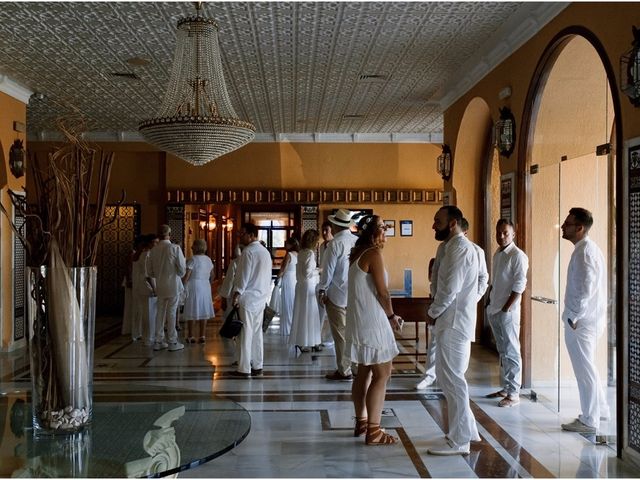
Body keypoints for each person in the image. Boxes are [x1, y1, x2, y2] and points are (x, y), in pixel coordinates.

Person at [426, 206, 480, 456]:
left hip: (455, 323)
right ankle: (466, 431)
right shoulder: (447, 247)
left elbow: (450, 290)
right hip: (448, 321)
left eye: (438, 221)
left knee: (454, 379)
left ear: (453, 223)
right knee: (446, 376)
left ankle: (461, 441)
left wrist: (433, 312)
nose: (434, 225)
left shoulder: (461, 249)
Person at [346, 215, 402, 445]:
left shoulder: (357, 254)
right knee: (383, 373)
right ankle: (375, 431)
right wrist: (391, 317)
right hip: (372, 321)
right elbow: (383, 292)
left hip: (360, 320)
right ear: (374, 233)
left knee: (364, 372)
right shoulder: (373, 254)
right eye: (383, 229)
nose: (386, 233)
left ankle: (362, 421)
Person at [559, 207, 610, 434]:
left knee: (584, 370)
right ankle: (601, 410)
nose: (563, 226)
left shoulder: (585, 252)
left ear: (580, 228)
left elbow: (585, 288)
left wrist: (574, 316)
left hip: (581, 322)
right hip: (587, 319)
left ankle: (590, 419)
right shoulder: (586, 249)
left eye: (567, 223)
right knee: (588, 366)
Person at [484, 219, 529, 407]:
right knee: (502, 351)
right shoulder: (498, 253)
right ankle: (506, 387)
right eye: (498, 232)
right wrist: (490, 301)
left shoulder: (518, 256)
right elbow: (497, 280)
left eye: (505, 233)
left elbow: (520, 286)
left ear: (513, 234)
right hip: (494, 308)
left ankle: (514, 393)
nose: (501, 236)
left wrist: (506, 308)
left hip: (507, 312)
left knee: (511, 351)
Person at [318, 208, 357, 381]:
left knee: (340, 334)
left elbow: (328, 272)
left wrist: (322, 289)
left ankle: (344, 369)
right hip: (356, 295)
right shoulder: (357, 241)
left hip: (337, 295)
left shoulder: (334, 245)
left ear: (335, 225)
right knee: (354, 333)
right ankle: (356, 365)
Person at [231, 223, 273, 378]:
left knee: (245, 334)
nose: (240, 236)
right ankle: (257, 366)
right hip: (260, 298)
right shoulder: (265, 252)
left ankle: (243, 369)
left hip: (248, 298)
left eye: (242, 233)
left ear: (251, 235)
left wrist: (236, 294)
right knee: (256, 333)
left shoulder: (248, 252)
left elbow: (243, 276)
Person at [148, 224, 186, 352]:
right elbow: (182, 269)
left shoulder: (153, 250)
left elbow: (150, 272)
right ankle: (172, 340)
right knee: (171, 312)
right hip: (173, 284)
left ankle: (158, 340)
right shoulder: (174, 248)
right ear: (169, 234)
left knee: (160, 312)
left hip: (160, 284)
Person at [289, 229, 322, 353]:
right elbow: (308, 273)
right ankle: (309, 341)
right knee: (310, 313)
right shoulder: (309, 253)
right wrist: (319, 270)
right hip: (308, 287)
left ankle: (303, 341)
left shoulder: (301, 252)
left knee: (302, 314)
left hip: (301, 286)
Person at [182, 239, 215, 344]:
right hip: (205, 285)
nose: (191, 247)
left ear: (196, 247)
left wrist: (181, 284)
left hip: (194, 285)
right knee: (203, 310)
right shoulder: (208, 260)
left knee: (192, 308)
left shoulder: (192, 259)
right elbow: (212, 275)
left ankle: (191, 335)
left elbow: (187, 275)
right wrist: (207, 282)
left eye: (193, 245)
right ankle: (202, 335)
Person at [131, 234, 157, 347]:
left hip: (144, 285)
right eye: (155, 242)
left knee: (146, 312)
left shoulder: (145, 254)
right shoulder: (147, 255)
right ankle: (149, 337)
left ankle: (147, 335)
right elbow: (148, 275)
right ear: (150, 243)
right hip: (147, 286)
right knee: (149, 313)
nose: (157, 245)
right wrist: (155, 288)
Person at [276, 236, 299, 336]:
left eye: (287, 243)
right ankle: (294, 326)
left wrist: (277, 277)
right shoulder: (298, 254)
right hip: (294, 279)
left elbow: (283, 269)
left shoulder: (289, 255)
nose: (285, 245)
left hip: (288, 279)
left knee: (287, 302)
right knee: (293, 302)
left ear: (291, 244)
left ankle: (288, 326)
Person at [318, 221, 335, 347]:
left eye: (327, 230)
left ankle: (330, 338)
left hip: (334, 282)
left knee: (332, 311)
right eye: (323, 230)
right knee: (321, 309)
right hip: (323, 280)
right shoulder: (322, 246)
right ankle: (317, 336)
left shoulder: (336, 244)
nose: (324, 233)